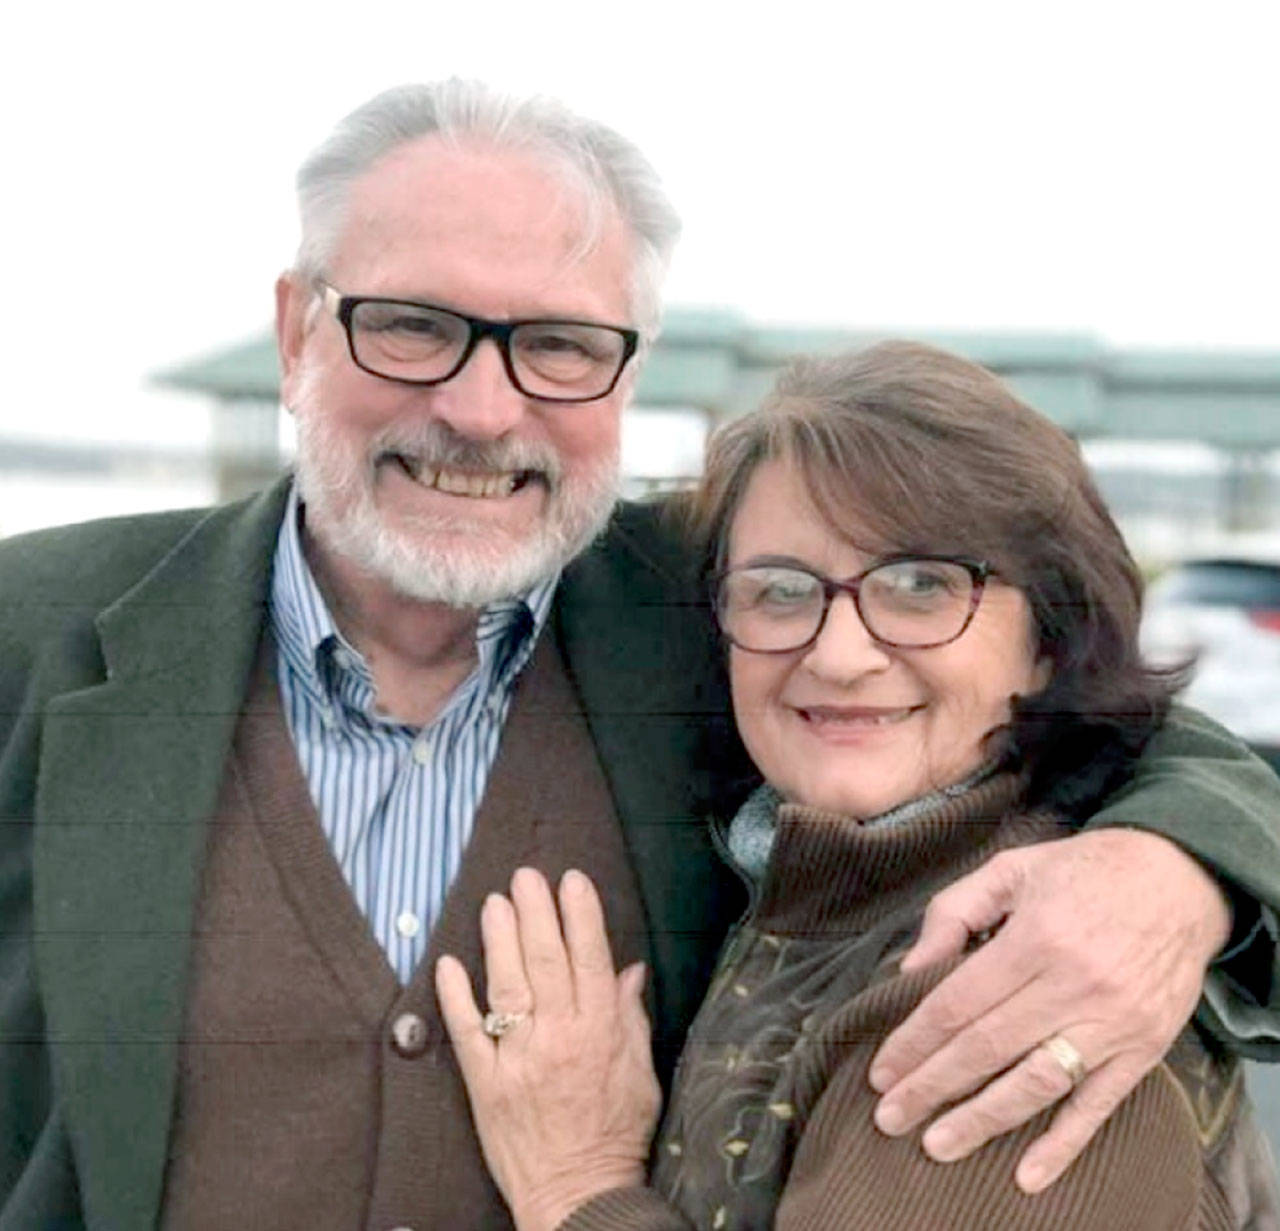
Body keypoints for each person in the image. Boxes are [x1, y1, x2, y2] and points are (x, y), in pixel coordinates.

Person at [1, 82, 1278, 1228]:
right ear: (296, 334)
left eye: (556, 345)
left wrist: (1166, 866)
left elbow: (1091, 701)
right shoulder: (31, 632)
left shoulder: (720, 613)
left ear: (625, 375)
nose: (480, 407)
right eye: (410, 325)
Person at [438, 341, 1280, 1230]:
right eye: (779, 589)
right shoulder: (815, 874)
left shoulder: (1019, 990)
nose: (839, 656)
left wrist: (577, 1185)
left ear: (1052, 637)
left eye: (922, 585)